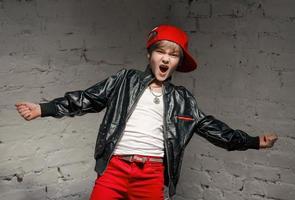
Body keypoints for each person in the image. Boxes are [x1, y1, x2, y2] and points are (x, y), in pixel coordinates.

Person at [15, 24, 278, 200]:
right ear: (150, 54)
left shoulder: (182, 99)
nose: (165, 58)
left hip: (152, 176)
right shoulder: (124, 81)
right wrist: (44, 108)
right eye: (160, 51)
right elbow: (86, 99)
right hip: (114, 170)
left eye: (173, 55)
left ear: (178, 63)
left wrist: (254, 142)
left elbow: (214, 129)